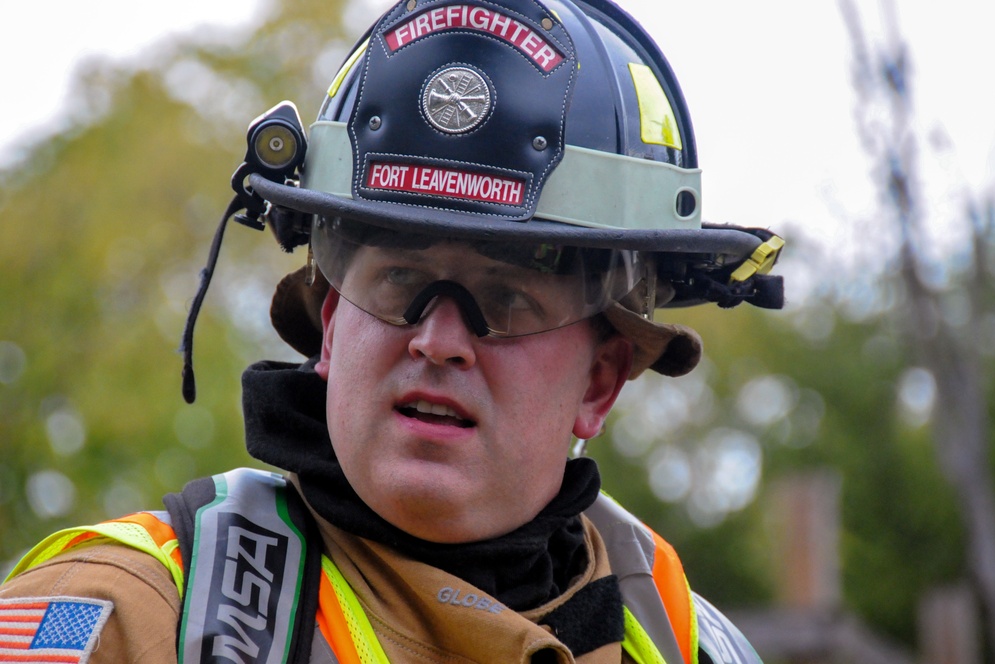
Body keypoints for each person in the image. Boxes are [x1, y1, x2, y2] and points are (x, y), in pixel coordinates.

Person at [0, 0, 784, 662]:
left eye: (506, 298)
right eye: (399, 283)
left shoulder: (683, 637)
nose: (438, 339)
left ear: (600, 381)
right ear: (333, 329)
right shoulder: (124, 618)